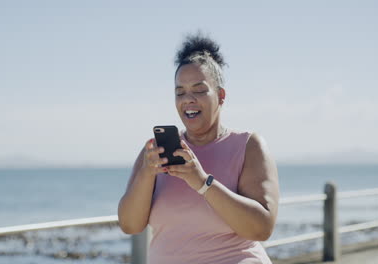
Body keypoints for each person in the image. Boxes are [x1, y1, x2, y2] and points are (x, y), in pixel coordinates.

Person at [118, 32, 279, 264]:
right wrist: (146, 174)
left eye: (199, 90)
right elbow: (130, 225)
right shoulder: (153, 154)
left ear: (221, 96)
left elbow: (261, 229)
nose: (188, 99)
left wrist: (202, 183)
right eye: (180, 92)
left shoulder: (248, 146)